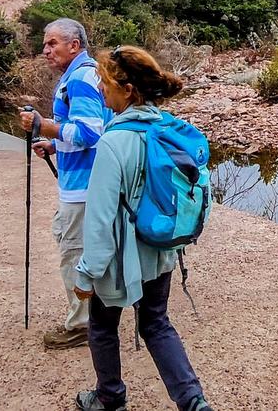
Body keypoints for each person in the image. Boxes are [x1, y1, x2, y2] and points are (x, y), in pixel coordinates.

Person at [73, 46, 211, 411]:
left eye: (106, 84)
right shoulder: (165, 128)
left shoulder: (114, 141)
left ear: (128, 90)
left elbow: (100, 219)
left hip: (121, 258)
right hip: (162, 249)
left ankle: (110, 399)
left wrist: (87, 274)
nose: (102, 91)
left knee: (102, 327)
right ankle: (193, 402)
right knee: (156, 323)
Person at [17, 18, 110, 351]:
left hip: (84, 186)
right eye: (44, 44)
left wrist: (43, 125)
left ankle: (83, 324)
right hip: (87, 179)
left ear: (75, 45)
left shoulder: (82, 77)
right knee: (79, 247)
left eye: (52, 43)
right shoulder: (85, 74)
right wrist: (54, 144)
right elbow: (90, 130)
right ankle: (98, 311)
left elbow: (90, 133)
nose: (46, 50)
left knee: (74, 253)